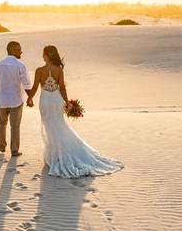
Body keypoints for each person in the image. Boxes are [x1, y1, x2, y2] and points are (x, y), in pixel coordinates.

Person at [27, 45, 123, 178]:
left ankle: (56, 155)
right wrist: (67, 103)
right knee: (59, 125)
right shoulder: (59, 70)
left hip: (45, 101)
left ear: (46, 56)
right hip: (56, 100)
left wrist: (30, 98)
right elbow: (62, 88)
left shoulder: (39, 70)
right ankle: (59, 153)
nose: (42, 56)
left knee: (49, 126)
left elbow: (34, 87)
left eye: (43, 54)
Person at [0, 41, 32, 156]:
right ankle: (14, 150)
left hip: (2, 100)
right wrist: (30, 98)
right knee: (15, 126)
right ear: (12, 50)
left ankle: (1, 147)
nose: (21, 52)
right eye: (19, 49)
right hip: (16, 100)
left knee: (1, 124)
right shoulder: (20, 66)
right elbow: (26, 84)